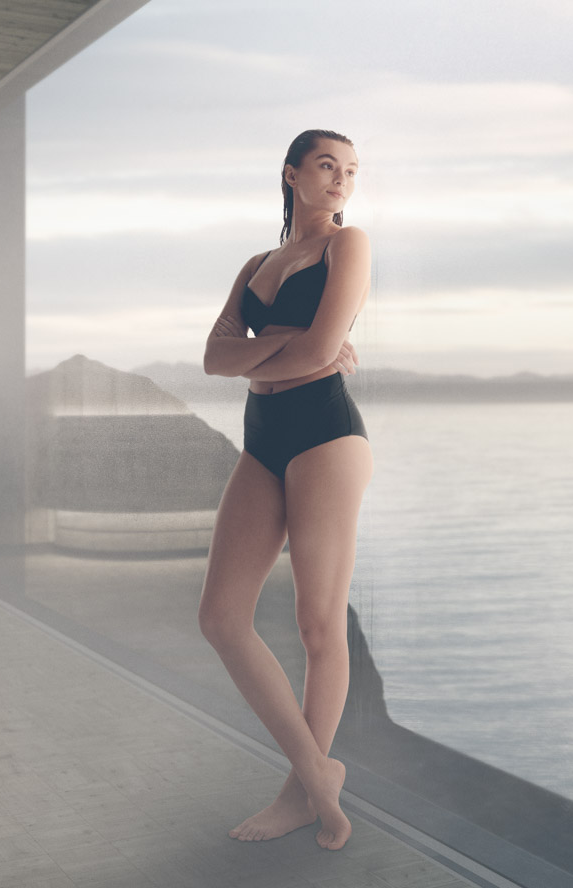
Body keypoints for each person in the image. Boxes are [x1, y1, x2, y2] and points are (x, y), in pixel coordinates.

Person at [198, 129, 373, 851]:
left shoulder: (348, 245)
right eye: (327, 166)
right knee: (220, 617)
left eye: (351, 171)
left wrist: (264, 345)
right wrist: (281, 346)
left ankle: (297, 795)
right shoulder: (258, 263)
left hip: (327, 433)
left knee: (317, 625)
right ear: (292, 174)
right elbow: (212, 359)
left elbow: (317, 351)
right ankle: (316, 771)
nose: (341, 181)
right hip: (263, 432)